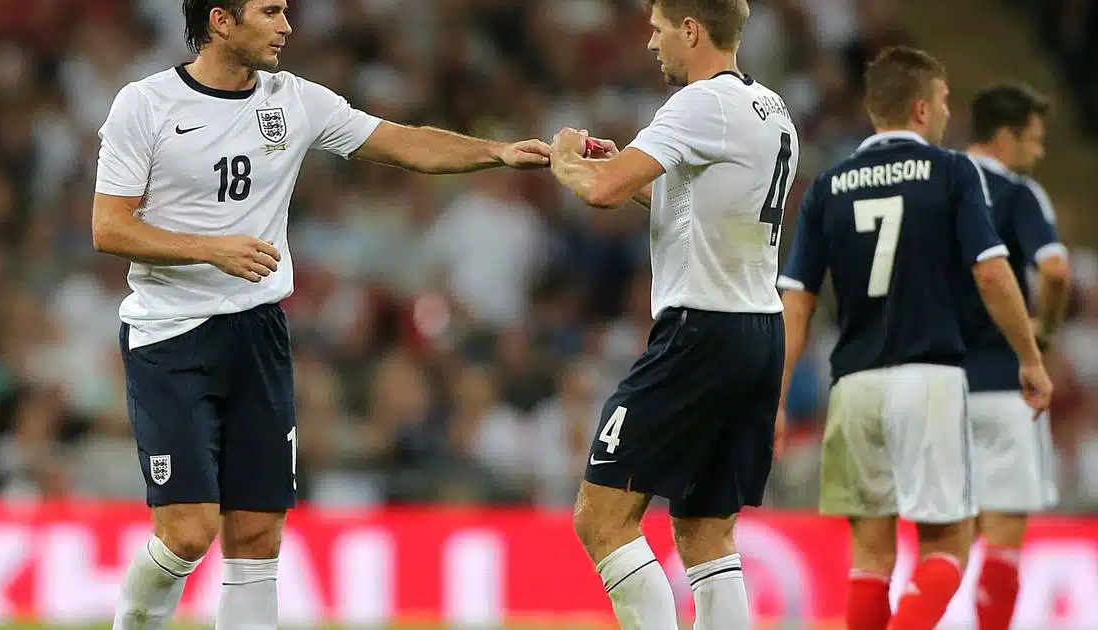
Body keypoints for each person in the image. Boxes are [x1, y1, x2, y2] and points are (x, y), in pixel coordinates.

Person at [90, 1, 551, 629]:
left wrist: (498, 152)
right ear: (221, 20)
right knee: (188, 531)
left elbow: (402, 141)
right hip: (170, 337)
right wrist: (210, 248)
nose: (286, 26)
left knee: (258, 535)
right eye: (271, 11)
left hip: (257, 333)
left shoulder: (295, 100)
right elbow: (109, 227)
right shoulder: (144, 105)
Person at [775, 47, 1053, 630]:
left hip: (853, 386)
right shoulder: (952, 172)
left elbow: (796, 300)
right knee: (947, 547)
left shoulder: (827, 187)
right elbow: (992, 272)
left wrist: (775, 397)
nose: (950, 114)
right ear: (922, 108)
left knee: (871, 558)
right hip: (928, 378)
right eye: (945, 101)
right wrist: (1029, 357)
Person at [546, 1, 799, 628]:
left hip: (699, 332)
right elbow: (698, 206)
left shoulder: (697, 104)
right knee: (706, 532)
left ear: (691, 29)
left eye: (658, 29)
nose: (651, 43)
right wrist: (627, 167)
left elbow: (600, 191)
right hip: (758, 331)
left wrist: (566, 160)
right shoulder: (772, 109)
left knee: (602, 518)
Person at [960, 82, 1070, 630]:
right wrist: (1042, 333)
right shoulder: (1019, 193)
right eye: (1034, 139)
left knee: (945, 541)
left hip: (933, 381)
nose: (1040, 151)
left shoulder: (934, 184)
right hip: (1006, 384)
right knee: (1002, 539)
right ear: (1004, 138)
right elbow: (1054, 268)